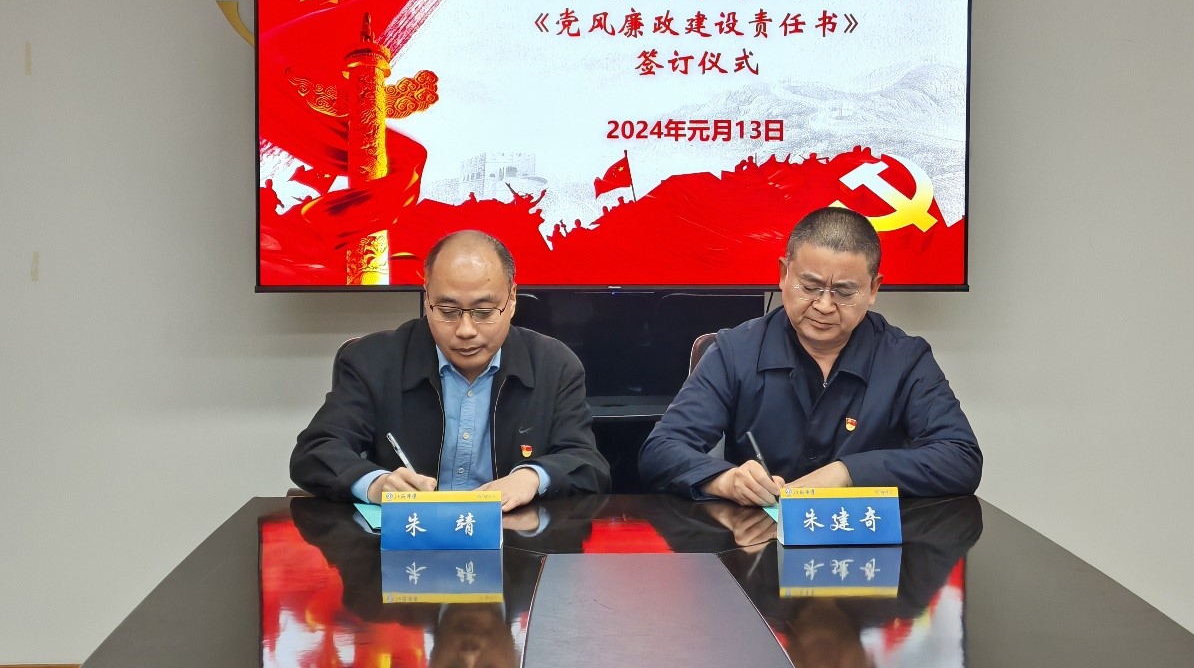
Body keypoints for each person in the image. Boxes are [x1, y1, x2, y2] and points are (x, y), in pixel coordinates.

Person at [639, 207, 981, 503]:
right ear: (783, 275)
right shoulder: (736, 351)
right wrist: (726, 481)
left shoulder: (905, 359)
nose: (824, 305)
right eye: (810, 287)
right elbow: (660, 450)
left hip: (865, 543)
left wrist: (846, 473)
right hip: (758, 542)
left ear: (873, 289)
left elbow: (961, 457)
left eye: (844, 291)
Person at [290, 230, 610, 508]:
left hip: (510, 544)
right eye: (447, 310)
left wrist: (532, 477)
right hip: (406, 542)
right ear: (427, 296)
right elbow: (316, 451)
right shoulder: (372, 360)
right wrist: (376, 484)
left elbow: (587, 463)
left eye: (484, 311)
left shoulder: (554, 365)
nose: (465, 330)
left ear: (511, 298)